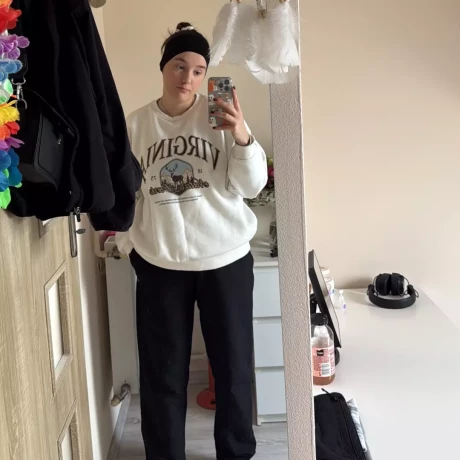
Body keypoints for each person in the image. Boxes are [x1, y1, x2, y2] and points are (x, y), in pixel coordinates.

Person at [116, 21, 267, 460]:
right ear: (164, 67)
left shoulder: (219, 117)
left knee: (233, 368)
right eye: (179, 66)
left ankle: (235, 454)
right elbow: (127, 193)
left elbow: (250, 187)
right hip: (161, 264)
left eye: (199, 70)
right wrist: (128, 243)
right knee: (162, 373)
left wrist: (241, 135)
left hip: (226, 260)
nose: (188, 78)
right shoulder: (137, 125)